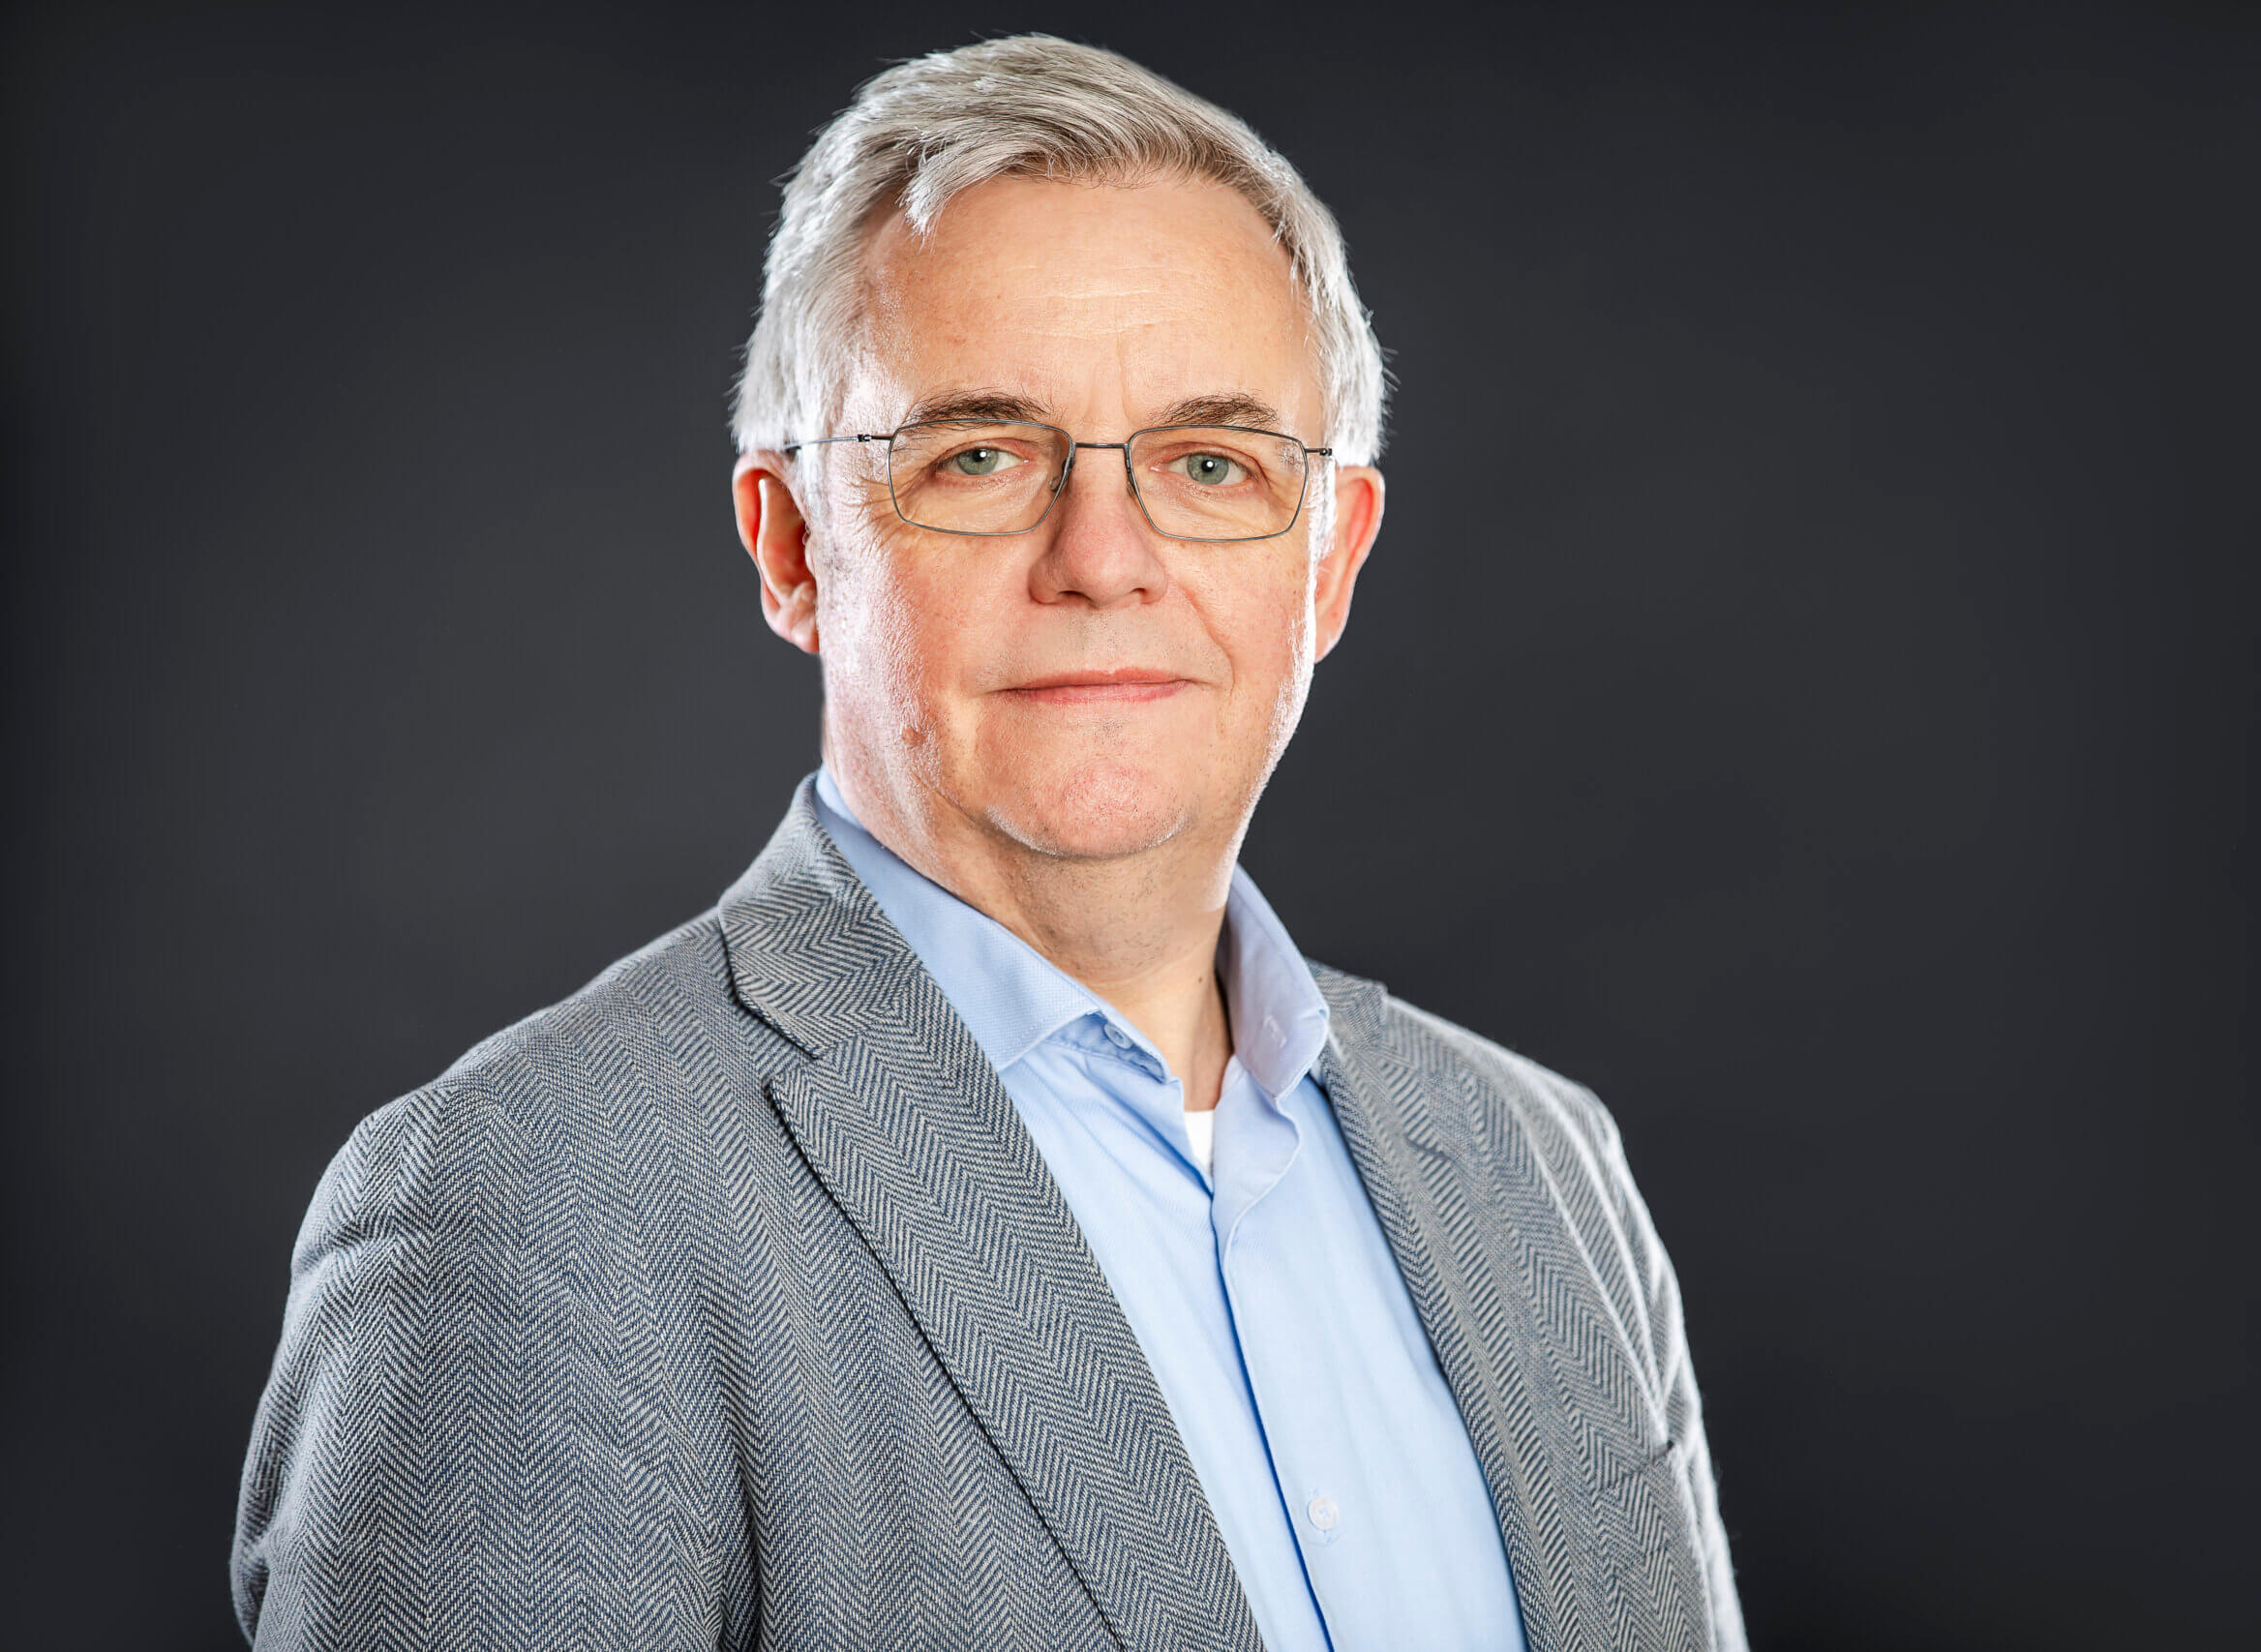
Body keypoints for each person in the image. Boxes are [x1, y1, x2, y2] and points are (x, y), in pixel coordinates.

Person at [231, 35, 1745, 1652]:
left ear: (1328, 564)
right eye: (978, 457)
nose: (1103, 557)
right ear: (794, 546)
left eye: (1211, 462)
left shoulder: (1542, 1167)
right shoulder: (528, 1211)